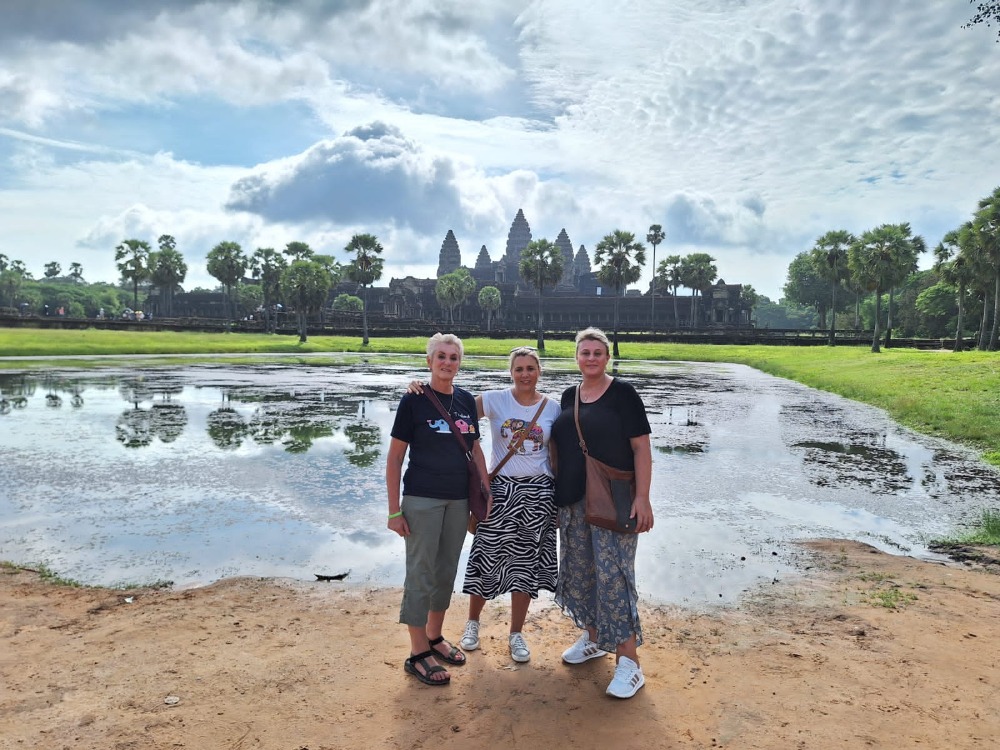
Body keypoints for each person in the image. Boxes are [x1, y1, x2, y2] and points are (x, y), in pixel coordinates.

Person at [413, 346, 561, 663]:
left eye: (530, 368)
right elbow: (453, 413)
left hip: (539, 494)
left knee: (526, 565)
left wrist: (564, 500)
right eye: (519, 368)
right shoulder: (494, 400)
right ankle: (472, 623)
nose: (524, 374)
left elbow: (561, 454)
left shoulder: (553, 408)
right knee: (486, 556)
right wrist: (421, 391)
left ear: (539, 372)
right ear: (511, 371)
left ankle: (516, 634)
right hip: (501, 491)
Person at [549, 327, 654, 699]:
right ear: (576, 357)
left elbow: (641, 449)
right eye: (585, 352)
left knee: (615, 575)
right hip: (574, 501)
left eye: (597, 352)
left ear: (607, 357)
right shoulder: (568, 395)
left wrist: (643, 497)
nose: (591, 358)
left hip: (615, 499)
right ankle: (593, 638)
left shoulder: (623, 394)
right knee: (581, 571)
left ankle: (629, 662)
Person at [386, 332, 491, 686]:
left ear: (460, 363)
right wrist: (393, 511)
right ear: (430, 361)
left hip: (458, 499)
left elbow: (473, 446)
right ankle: (417, 652)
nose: (447, 363)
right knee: (421, 572)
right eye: (441, 357)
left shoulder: (463, 400)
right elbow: (395, 458)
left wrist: (485, 482)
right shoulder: (413, 401)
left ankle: (434, 636)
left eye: (453, 358)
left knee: (445, 570)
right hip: (422, 498)